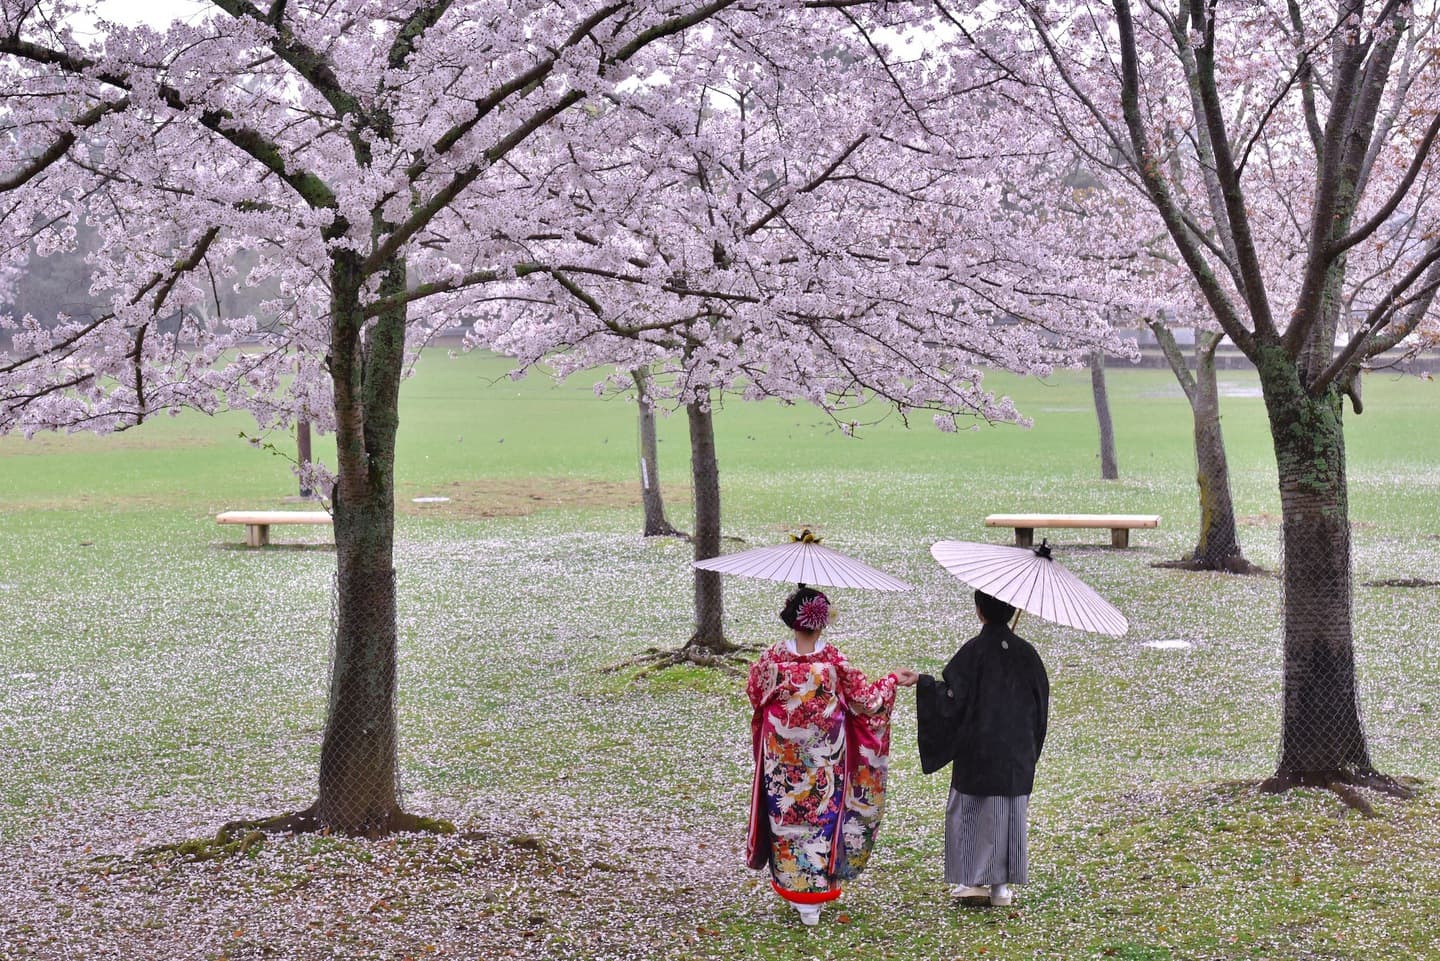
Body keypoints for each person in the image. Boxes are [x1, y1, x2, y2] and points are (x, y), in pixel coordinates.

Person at [745, 586, 900, 927]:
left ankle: (796, 892)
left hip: (781, 762)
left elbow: (754, 693)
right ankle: (814, 897)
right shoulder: (833, 660)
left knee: (786, 822)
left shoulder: (770, 659)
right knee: (820, 819)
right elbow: (865, 701)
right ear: (822, 622)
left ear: (791, 618)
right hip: (824, 760)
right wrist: (891, 681)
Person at [894, 589, 1049, 908]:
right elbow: (1040, 706)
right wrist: (1028, 747)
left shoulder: (974, 652)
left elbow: (951, 699)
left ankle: (972, 882)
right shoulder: (1027, 654)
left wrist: (923, 682)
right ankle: (1001, 888)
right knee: (1009, 815)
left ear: (979, 611)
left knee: (975, 811)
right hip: (1016, 752)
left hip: (979, 752)